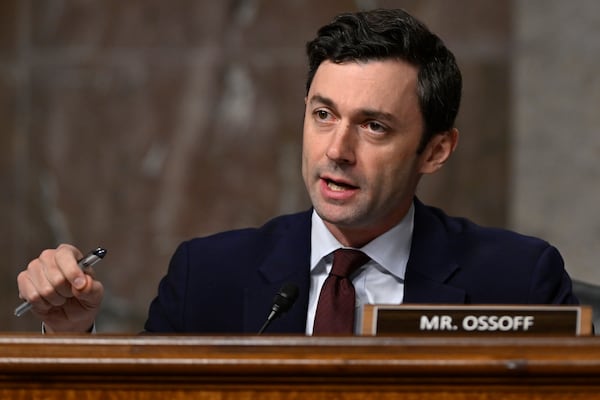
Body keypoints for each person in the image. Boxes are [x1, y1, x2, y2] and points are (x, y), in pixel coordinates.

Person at [16, 8, 578, 334]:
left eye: (375, 126)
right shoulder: (206, 276)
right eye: (323, 115)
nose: (337, 149)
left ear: (435, 150)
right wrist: (74, 335)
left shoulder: (517, 280)